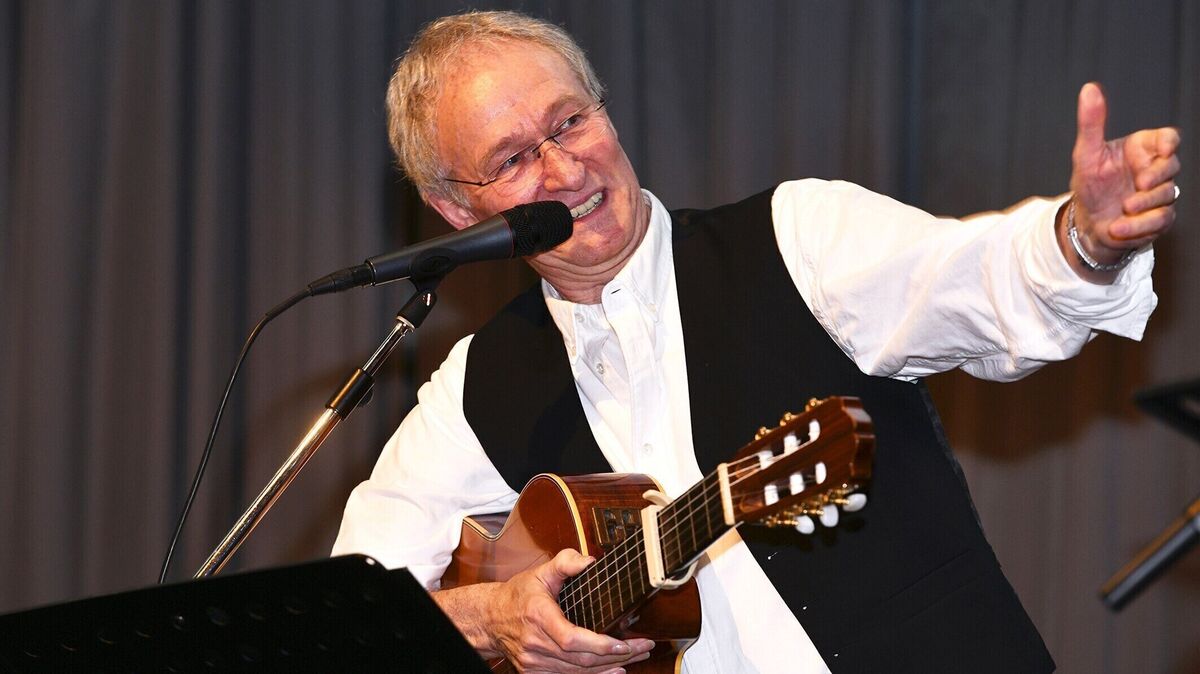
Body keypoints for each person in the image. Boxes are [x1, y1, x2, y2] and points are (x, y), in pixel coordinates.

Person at [333, 10, 1181, 674]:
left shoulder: (796, 239)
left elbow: (982, 278)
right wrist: (492, 617)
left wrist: (1083, 237)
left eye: (570, 121)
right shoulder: (475, 388)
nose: (565, 170)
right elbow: (350, 617)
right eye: (515, 159)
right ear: (456, 210)